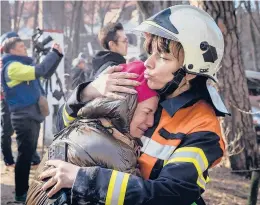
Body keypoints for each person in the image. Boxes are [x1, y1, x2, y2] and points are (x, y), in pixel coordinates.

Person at [40, 5, 229, 205]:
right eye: (150, 53)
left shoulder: (202, 128)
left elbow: (171, 194)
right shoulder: (142, 90)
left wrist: (84, 179)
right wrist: (88, 92)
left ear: (190, 72)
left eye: (163, 57)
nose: (149, 63)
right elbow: (61, 129)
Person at [26, 61, 158, 205]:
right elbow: (135, 198)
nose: (151, 122)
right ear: (126, 105)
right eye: (147, 112)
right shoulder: (113, 149)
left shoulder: (89, 125)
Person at [1, 36, 63, 202]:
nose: (25, 49)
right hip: (23, 117)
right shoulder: (12, 67)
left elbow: (45, 73)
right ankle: (21, 194)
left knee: (27, 156)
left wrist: (57, 56)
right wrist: (53, 53)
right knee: (24, 157)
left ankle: (23, 193)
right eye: (21, 46)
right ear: (12, 50)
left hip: (30, 116)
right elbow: (40, 71)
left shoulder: (21, 66)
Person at [0, 32, 40, 170]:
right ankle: (8, 160)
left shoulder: (20, 59)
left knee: (28, 130)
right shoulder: (5, 60)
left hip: (22, 100)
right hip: (6, 99)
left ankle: (33, 157)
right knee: (6, 131)